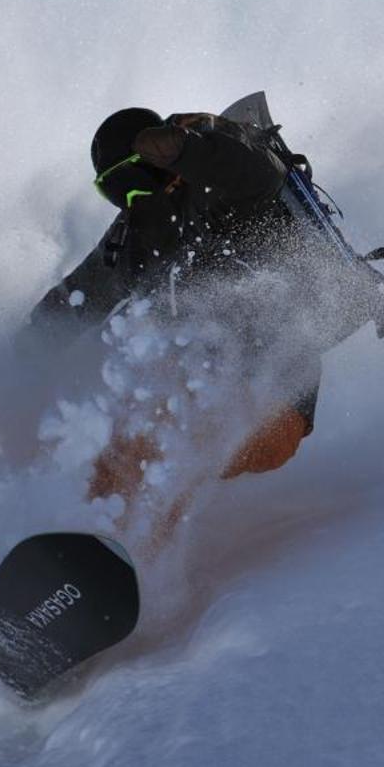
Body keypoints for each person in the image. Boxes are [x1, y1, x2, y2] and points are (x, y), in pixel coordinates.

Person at [31, 106, 323, 505]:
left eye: (132, 180)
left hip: (277, 374)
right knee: (130, 447)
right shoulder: (133, 239)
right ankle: (93, 539)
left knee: (176, 448)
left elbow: (255, 168)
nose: (130, 197)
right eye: (114, 190)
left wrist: (187, 148)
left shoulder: (222, 186)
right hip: (196, 380)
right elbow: (77, 296)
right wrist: (21, 353)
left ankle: (121, 535)